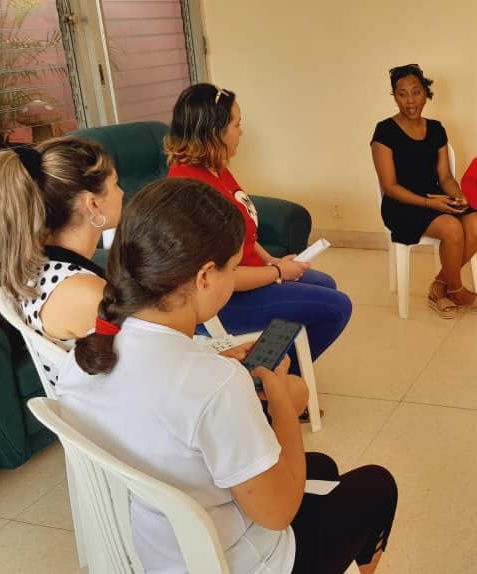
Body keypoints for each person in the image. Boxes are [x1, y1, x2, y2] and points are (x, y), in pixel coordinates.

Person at [59, 178, 398, 574]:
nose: (234, 277)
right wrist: (282, 403)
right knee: (377, 485)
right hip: (232, 562)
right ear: (205, 277)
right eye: (234, 268)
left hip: (150, 551)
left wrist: (225, 374)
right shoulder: (216, 384)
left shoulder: (84, 357)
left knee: (321, 467)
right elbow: (277, 514)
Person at [166, 83, 351, 361]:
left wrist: (272, 261)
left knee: (325, 284)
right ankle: (269, 387)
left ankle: (270, 364)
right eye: (237, 125)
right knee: (337, 307)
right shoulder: (190, 189)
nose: (241, 132)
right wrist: (277, 274)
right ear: (214, 132)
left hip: (244, 279)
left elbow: (245, 235)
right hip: (224, 300)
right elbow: (217, 277)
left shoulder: (216, 170)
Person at [0, 137, 122, 384]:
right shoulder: (85, 293)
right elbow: (149, 365)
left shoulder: (38, 265)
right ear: (93, 203)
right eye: (116, 184)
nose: (122, 193)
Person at [371, 63, 477, 318]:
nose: (410, 100)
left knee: (476, 225)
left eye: (416, 92)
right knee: (451, 228)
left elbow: (445, 176)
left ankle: (439, 287)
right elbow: (390, 187)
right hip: (401, 205)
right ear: (394, 96)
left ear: (425, 93)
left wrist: (457, 195)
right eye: (402, 93)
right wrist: (431, 205)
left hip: (437, 197)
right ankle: (457, 290)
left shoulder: (437, 129)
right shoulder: (384, 131)